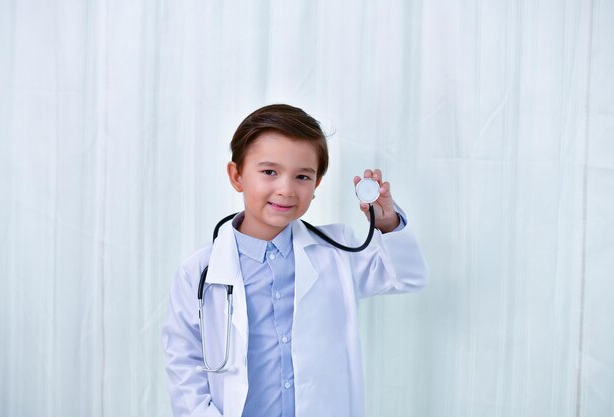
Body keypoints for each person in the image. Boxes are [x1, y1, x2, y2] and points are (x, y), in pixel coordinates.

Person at [161, 104, 428, 417]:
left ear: (315, 186)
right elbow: (184, 363)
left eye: (302, 176)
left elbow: (407, 277)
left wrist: (387, 223)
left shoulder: (337, 251)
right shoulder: (199, 271)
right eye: (269, 172)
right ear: (237, 176)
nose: (286, 189)